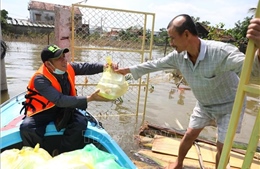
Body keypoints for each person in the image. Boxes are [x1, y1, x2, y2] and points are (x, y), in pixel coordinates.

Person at [115, 14, 260, 169]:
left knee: (222, 147)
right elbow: (155, 64)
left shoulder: (220, 52)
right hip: (204, 104)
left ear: (186, 34)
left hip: (229, 105)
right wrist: (127, 70)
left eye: (172, 38)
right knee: (189, 134)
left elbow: (252, 74)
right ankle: (178, 162)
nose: (170, 43)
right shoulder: (178, 56)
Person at [20, 44, 114, 156]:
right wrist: (89, 99)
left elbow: (86, 67)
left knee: (80, 123)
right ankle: (39, 155)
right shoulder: (40, 79)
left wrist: (105, 66)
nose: (64, 60)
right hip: (44, 110)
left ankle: (62, 153)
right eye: (58, 58)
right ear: (48, 64)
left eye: (64, 56)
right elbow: (59, 99)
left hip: (65, 108)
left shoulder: (68, 67)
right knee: (27, 128)